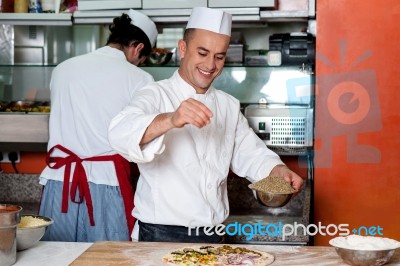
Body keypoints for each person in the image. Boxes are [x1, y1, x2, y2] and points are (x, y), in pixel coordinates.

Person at [108, 7, 304, 243]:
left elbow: (251, 154)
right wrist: (171, 119)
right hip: (161, 234)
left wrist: (276, 171)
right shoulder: (155, 94)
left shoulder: (228, 105)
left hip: (214, 234)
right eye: (202, 52)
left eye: (219, 56)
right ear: (183, 49)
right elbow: (120, 132)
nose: (210, 64)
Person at [38, 9, 158, 242]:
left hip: (58, 183)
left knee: (54, 257)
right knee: (108, 259)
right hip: (107, 184)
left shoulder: (63, 69)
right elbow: (143, 138)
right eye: (141, 60)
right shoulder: (140, 79)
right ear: (138, 48)